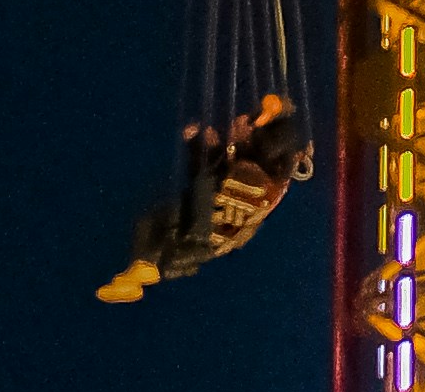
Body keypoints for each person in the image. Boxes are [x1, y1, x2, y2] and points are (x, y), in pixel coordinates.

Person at [97, 89, 312, 303]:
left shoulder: (275, 147)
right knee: (151, 221)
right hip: (211, 208)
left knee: (186, 227)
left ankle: (189, 244)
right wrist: (198, 145)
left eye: (238, 125)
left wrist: (254, 129)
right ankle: (139, 269)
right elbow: (202, 173)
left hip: (219, 217)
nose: (233, 128)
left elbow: (268, 150)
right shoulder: (235, 154)